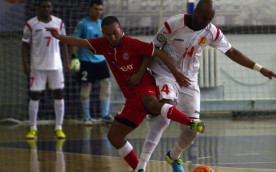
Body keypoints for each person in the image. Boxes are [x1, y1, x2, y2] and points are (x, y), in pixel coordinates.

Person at [135, 0, 276, 171]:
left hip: (189, 79)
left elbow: (232, 52)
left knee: (193, 129)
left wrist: (260, 68)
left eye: (210, 19)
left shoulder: (211, 31)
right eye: (204, 18)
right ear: (195, 11)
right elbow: (153, 48)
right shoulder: (173, 24)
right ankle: (141, 166)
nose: (207, 22)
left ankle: (173, 156)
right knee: (165, 114)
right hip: (165, 72)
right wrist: (140, 74)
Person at [46, 16, 205, 171]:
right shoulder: (103, 44)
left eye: (115, 32)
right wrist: (59, 36)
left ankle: (190, 123)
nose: (112, 37)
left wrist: (174, 73)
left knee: (151, 103)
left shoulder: (132, 43)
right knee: (114, 137)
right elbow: (81, 42)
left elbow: (157, 53)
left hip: (144, 85)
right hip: (131, 96)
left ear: (121, 29)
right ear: (103, 34)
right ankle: (138, 168)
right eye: (108, 35)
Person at [22, 0, 70, 139]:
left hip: (56, 66)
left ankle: (59, 127)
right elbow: (24, 45)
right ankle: (33, 128)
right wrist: (25, 63)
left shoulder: (59, 23)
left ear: (51, 8)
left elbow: (63, 43)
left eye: (48, 6)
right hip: (37, 67)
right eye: (43, 6)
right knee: (35, 95)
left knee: (59, 93)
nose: (46, 9)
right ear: (39, 8)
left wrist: (67, 62)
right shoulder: (31, 24)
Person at [71, 0, 113, 125]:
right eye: (96, 9)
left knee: (106, 85)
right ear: (90, 9)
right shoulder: (83, 23)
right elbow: (74, 40)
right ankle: (86, 116)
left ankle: (105, 115)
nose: (98, 12)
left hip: (101, 60)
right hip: (86, 61)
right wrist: (74, 57)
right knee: (86, 86)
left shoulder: (102, 24)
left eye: (100, 9)